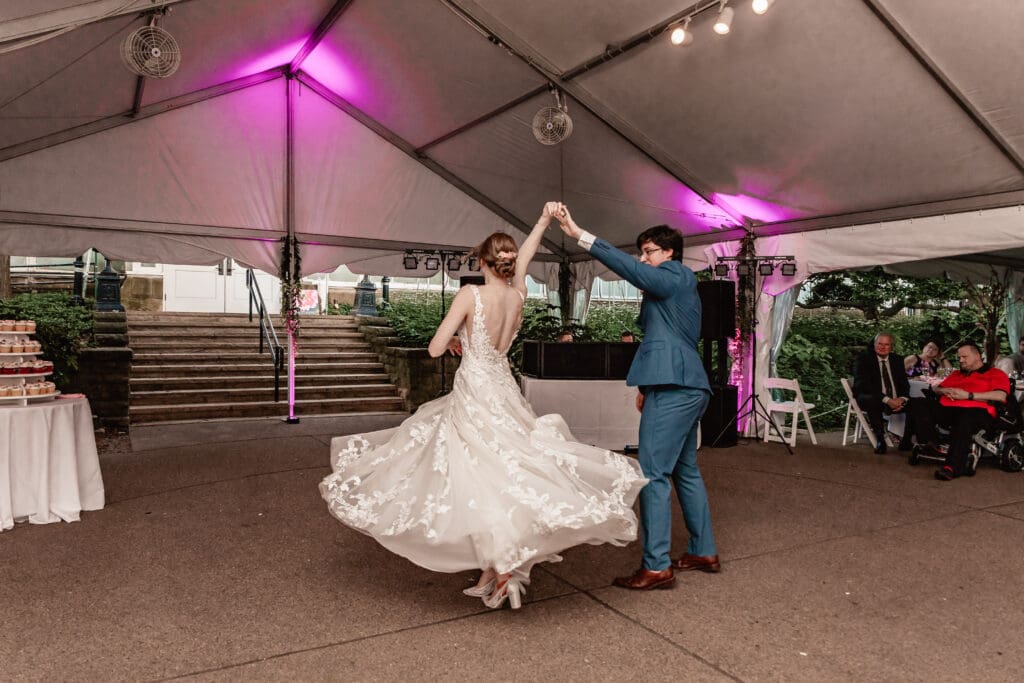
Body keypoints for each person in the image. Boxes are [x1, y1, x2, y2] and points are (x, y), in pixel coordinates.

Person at [320, 202, 646, 610]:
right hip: (503, 385)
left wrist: (458, 339)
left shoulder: (471, 294)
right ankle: (500, 566)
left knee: (476, 470)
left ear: (482, 261)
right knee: (507, 465)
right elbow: (525, 256)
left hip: (476, 387)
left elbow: (435, 348)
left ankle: (501, 565)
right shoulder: (518, 294)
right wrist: (544, 220)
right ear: (508, 264)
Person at [555, 206, 717, 591]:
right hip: (684, 384)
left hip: (676, 387)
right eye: (642, 252)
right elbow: (662, 339)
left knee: (653, 475)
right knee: (684, 470)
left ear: (669, 253)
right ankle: (703, 549)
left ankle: (657, 565)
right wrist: (647, 388)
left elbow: (635, 273)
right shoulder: (672, 290)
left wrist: (582, 235)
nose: (643, 259)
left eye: (649, 251)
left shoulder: (676, 274)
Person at [910, 342, 1009, 481]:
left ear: (977, 356)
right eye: (959, 357)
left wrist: (968, 395)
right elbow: (936, 388)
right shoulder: (957, 374)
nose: (961, 360)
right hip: (949, 409)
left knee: (966, 417)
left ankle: (952, 467)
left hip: (976, 411)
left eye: (964, 357)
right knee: (917, 402)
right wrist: (942, 390)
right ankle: (930, 442)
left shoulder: (995, 373)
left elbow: (1001, 395)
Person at [852, 333, 911, 454]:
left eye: (887, 344)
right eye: (880, 344)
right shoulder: (864, 360)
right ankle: (880, 439)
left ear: (891, 347)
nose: (883, 347)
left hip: (895, 399)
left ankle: (907, 439)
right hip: (872, 398)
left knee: (918, 404)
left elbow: (904, 384)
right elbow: (864, 386)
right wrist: (888, 400)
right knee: (872, 400)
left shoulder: (897, 360)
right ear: (874, 345)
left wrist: (902, 399)